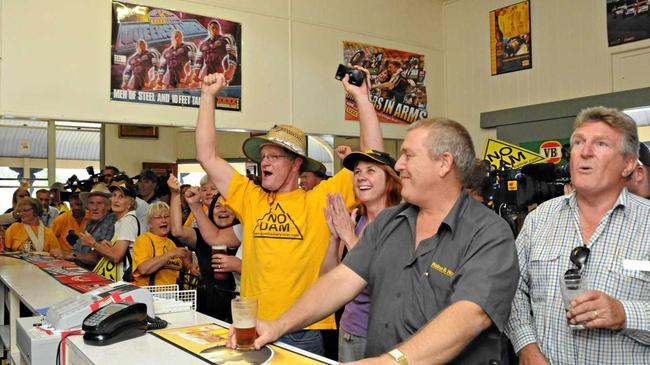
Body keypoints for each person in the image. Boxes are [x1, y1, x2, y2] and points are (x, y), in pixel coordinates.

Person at [244, 118, 519, 364]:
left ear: (444, 163)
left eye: (408, 156)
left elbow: (470, 315)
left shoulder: (489, 232)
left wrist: (392, 361)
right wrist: (277, 326)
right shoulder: (389, 222)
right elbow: (341, 280)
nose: (398, 165)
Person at [195, 68, 383, 354]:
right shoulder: (250, 197)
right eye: (262, 156)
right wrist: (207, 97)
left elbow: (372, 155)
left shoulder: (321, 199)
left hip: (303, 330)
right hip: (252, 326)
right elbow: (207, 156)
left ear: (296, 164)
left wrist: (361, 98)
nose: (264, 162)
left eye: (273, 156)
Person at [505, 106, 650, 364]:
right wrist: (525, 345)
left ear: (628, 164)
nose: (584, 152)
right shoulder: (539, 220)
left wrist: (624, 313)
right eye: (578, 142)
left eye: (601, 144)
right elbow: (512, 288)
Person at [320, 149, 402, 362]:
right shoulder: (358, 221)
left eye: (370, 170)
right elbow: (329, 279)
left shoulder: (400, 224)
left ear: (389, 179)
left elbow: (380, 282)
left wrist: (348, 236)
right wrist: (334, 238)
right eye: (357, 171)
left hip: (382, 335)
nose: (361, 177)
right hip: (349, 329)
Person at [168, 175, 241, 321]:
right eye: (218, 206)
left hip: (238, 308)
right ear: (211, 210)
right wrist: (175, 194)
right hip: (207, 305)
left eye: (228, 206)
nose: (223, 210)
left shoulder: (242, 235)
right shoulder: (202, 236)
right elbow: (177, 230)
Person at [132, 202, 194, 286]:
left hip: (172, 295)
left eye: (166, 216)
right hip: (151, 295)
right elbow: (143, 269)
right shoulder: (144, 239)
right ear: (150, 223)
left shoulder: (171, 243)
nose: (163, 220)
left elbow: (184, 271)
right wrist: (171, 254)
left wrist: (189, 263)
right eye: (158, 217)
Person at [89, 181, 139, 281]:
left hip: (125, 281)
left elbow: (116, 257)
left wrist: (93, 244)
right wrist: (110, 245)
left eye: (121, 197)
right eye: (114, 195)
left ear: (130, 203)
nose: (115, 200)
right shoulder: (123, 220)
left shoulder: (128, 221)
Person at [66, 183, 115, 270]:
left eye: (99, 203)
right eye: (91, 203)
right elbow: (76, 248)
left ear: (108, 206)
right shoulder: (89, 223)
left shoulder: (111, 222)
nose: (95, 207)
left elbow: (99, 258)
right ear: (87, 206)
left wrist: (71, 255)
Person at [194, 20, 238, 84]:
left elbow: (233, 55)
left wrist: (230, 70)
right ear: (209, 29)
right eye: (212, 28)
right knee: (205, 92)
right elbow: (198, 61)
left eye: (216, 28)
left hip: (219, 71)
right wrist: (196, 73)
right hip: (205, 73)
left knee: (219, 92)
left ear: (219, 29)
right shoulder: (203, 44)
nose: (214, 30)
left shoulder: (224, 40)